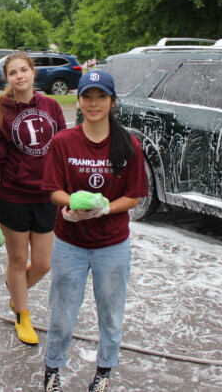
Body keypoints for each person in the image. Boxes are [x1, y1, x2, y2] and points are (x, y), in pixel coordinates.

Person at [41, 70, 148, 392]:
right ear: (79, 99)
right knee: (61, 313)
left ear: (112, 101)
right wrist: (70, 207)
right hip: (69, 242)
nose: (93, 103)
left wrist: (105, 209)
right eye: (88, 96)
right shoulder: (63, 141)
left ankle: (104, 371)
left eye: (101, 96)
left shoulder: (128, 145)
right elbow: (53, 189)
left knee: (111, 314)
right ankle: (52, 370)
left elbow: (134, 195)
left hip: (112, 245)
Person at [0, 52, 66, 345]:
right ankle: (23, 315)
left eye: (23, 70)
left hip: (46, 198)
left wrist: (68, 195)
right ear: (7, 78)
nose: (19, 76)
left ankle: (16, 292)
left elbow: (63, 152)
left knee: (42, 264)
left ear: (33, 73)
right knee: (18, 260)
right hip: (13, 197)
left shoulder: (51, 107)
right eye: (13, 72)